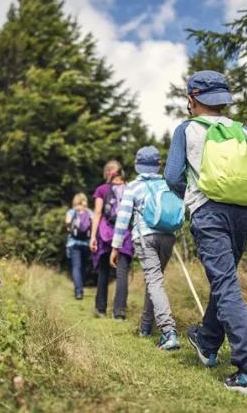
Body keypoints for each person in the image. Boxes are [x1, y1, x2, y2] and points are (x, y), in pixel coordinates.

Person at [165, 70, 247, 399]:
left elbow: (173, 176)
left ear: (192, 99)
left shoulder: (186, 129)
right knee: (225, 281)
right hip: (243, 213)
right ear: (222, 100)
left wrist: (191, 197)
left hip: (209, 212)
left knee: (226, 286)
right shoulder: (242, 129)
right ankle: (207, 341)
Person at [110, 146, 181, 350]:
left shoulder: (133, 187)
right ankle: (146, 327)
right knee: (155, 281)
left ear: (137, 165)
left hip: (145, 237)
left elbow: (123, 219)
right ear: (159, 165)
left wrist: (115, 247)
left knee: (154, 281)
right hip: (168, 237)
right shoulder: (168, 184)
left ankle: (168, 332)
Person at [90, 160, 133, 319]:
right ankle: (119, 312)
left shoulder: (101, 190)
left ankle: (101, 309)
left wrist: (93, 236)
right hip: (125, 234)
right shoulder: (129, 188)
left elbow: (97, 213)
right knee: (122, 272)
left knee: (103, 271)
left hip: (105, 233)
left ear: (106, 173)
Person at [65, 193, 93, 300]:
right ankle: (81, 287)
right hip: (86, 243)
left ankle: (78, 291)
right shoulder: (89, 212)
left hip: (73, 243)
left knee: (76, 266)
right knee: (83, 266)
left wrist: (71, 228)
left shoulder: (71, 212)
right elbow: (94, 224)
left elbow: (67, 224)